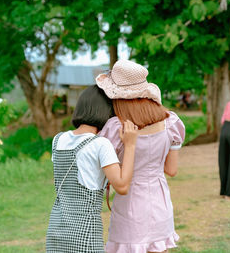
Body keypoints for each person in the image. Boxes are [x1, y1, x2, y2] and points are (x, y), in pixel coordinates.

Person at [96, 59, 185, 253]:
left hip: (130, 208)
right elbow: (171, 170)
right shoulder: (171, 122)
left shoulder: (115, 127)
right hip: (160, 204)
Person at [46, 85, 138, 253]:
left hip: (56, 229)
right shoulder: (100, 144)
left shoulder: (57, 140)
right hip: (85, 232)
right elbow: (122, 186)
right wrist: (130, 145)